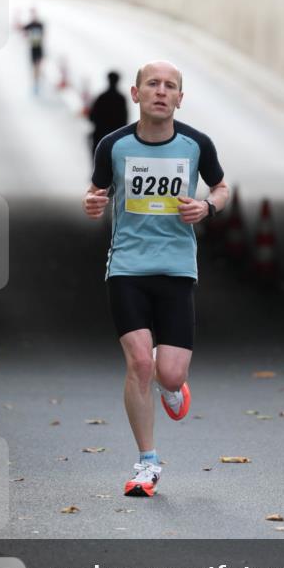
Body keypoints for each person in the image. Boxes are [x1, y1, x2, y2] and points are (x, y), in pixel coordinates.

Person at [82, 60, 229, 497]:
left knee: (169, 373)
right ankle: (147, 462)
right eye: (152, 84)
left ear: (180, 98)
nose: (161, 91)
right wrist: (92, 202)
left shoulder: (197, 144)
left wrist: (207, 207)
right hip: (126, 268)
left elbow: (221, 187)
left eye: (170, 86)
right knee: (140, 364)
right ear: (136, 93)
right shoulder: (113, 145)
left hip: (177, 269)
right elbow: (96, 191)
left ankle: (173, 387)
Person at [88, 71, 128, 155]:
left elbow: (92, 117)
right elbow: (124, 120)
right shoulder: (121, 99)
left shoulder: (102, 97)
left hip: (100, 136)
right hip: (115, 139)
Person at [21, 8, 45, 94]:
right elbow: (23, 31)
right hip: (33, 48)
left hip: (39, 47)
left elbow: (43, 35)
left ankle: (38, 79)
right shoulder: (29, 25)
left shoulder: (40, 25)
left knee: (39, 66)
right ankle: (36, 83)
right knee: (35, 67)